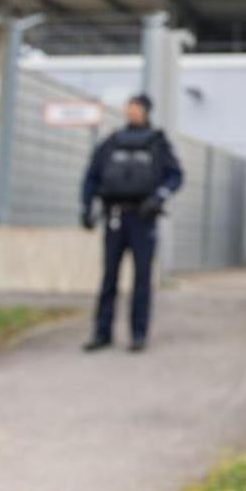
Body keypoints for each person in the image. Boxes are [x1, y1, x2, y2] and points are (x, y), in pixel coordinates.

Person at [80, 93, 183, 353]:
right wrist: (86, 206)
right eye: (129, 108)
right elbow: (91, 176)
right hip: (114, 216)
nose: (132, 113)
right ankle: (102, 332)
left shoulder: (157, 144)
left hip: (143, 218)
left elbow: (175, 176)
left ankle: (139, 334)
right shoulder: (112, 142)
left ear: (147, 111)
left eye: (137, 109)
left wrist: (159, 197)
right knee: (109, 279)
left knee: (142, 279)